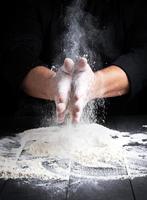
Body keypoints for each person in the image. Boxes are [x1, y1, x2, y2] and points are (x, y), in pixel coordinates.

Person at [1, 0, 147, 129]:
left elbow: (142, 57)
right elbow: (17, 56)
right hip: (33, 123)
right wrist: (52, 84)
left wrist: (96, 84)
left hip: (125, 124)